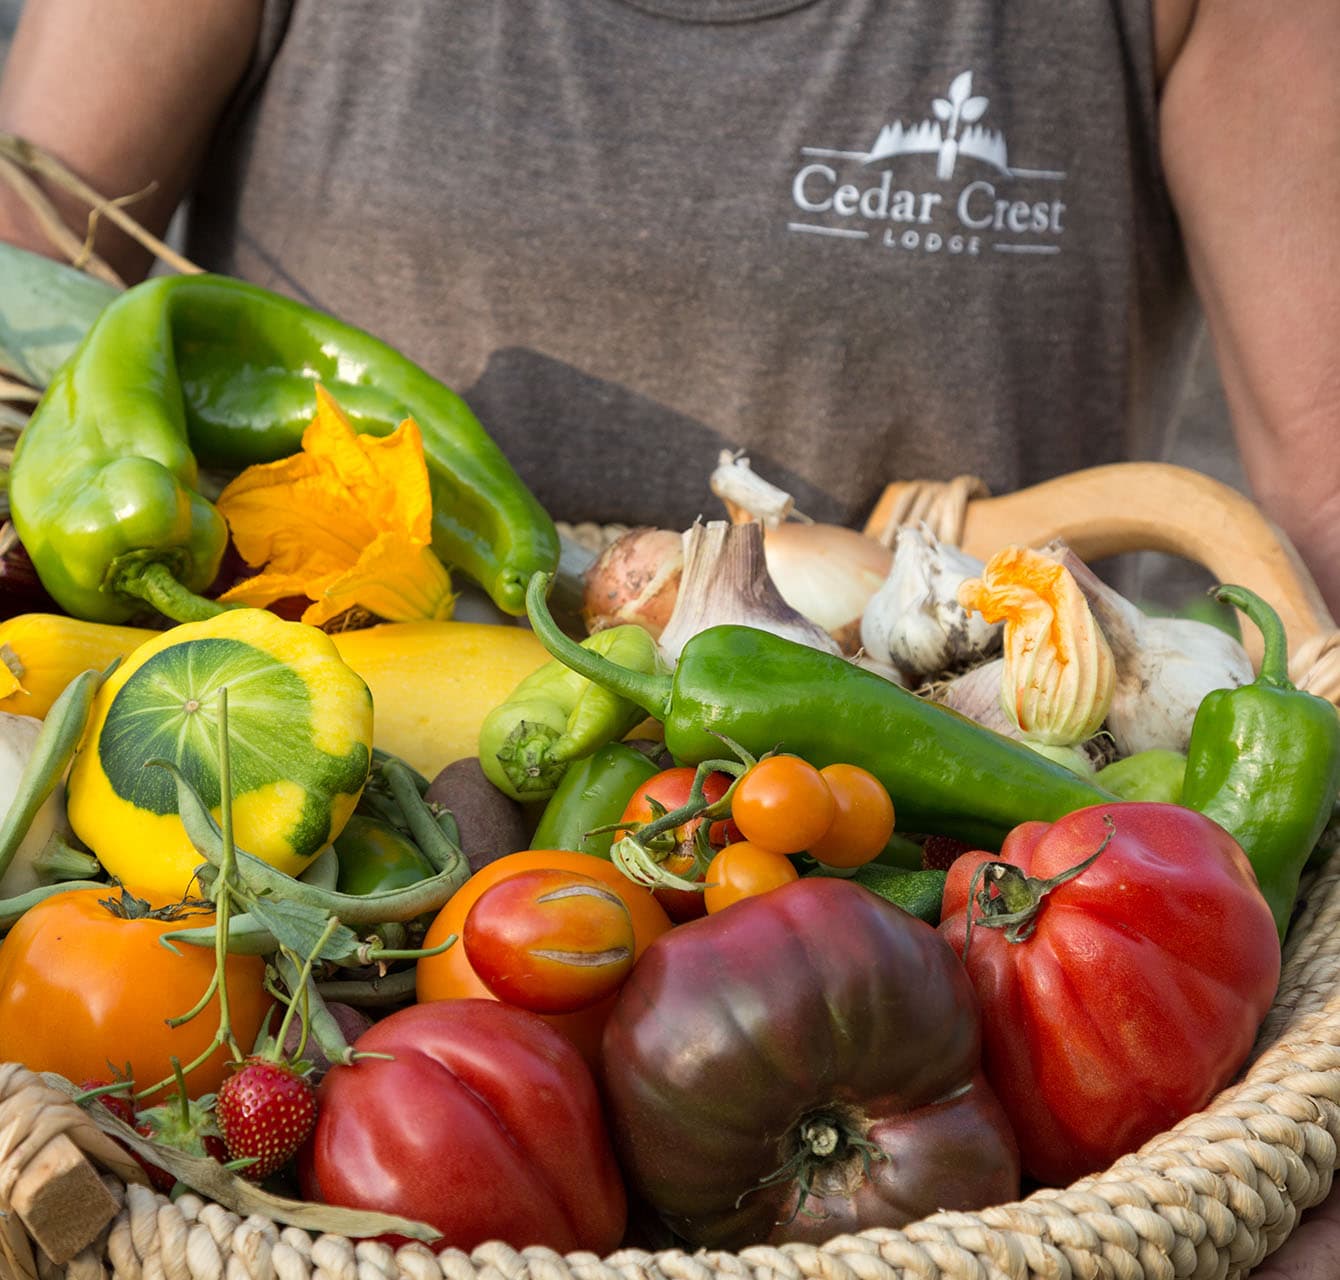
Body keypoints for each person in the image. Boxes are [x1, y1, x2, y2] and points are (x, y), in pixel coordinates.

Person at [0, 1, 1338, 1273]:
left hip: (967, 822)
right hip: (319, 715)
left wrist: (1303, 1171)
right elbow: (24, 264)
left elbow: (1326, 492)